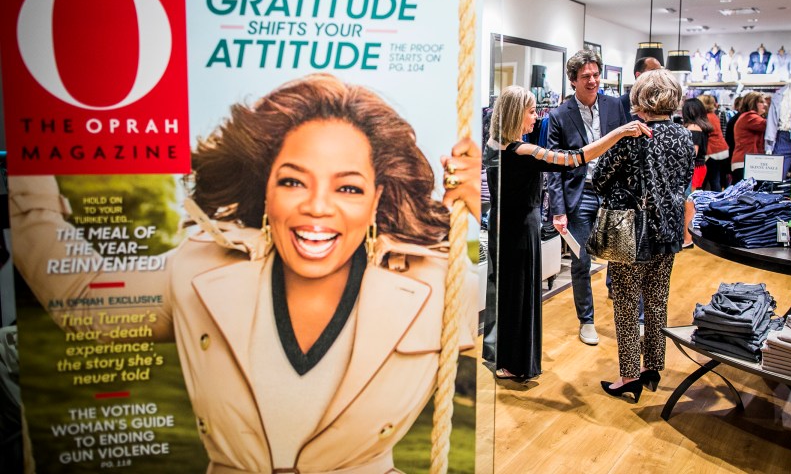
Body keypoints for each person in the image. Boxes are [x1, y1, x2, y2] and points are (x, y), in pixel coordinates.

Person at [9, 73, 480, 474]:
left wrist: (482, 204)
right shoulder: (200, 269)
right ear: (266, 188)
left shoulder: (432, 284)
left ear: (377, 199)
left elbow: (509, 304)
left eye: (348, 188)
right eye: (293, 181)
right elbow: (81, 298)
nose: (317, 207)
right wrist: (30, 183)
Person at [485, 85, 650, 379]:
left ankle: (504, 358)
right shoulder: (523, 151)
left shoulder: (492, 145)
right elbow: (576, 158)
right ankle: (514, 364)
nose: (536, 118)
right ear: (515, 114)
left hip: (502, 228)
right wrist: (619, 133)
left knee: (507, 294)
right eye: (532, 112)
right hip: (522, 232)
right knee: (520, 294)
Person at [592, 69, 694, 402]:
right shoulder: (682, 135)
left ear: (642, 98)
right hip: (668, 228)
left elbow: (600, 178)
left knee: (625, 302)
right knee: (656, 299)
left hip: (630, 229)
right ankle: (653, 366)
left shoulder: (634, 135)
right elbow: (685, 180)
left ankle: (629, 377)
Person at [547, 50, 629, 345]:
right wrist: (558, 209)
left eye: (596, 75)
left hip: (614, 193)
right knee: (581, 260)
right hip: (580, 195)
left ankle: (626, 314)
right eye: (586, 77)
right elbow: (554, 166)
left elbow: (625, 149)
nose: (593, 81)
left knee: (621, 256)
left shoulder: (615, 106)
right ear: (573, 81)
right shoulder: (558, 116)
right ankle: (587, 320)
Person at [681, 97, 713, 248]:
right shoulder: (700, 127)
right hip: (699, 167)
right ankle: (688, 238)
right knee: (691, 203)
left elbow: (692, 154)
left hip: (693, 169)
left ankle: (688, 239)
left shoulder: (693, 128)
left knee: (689, 204)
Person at [731, 91, 768, 182]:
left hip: (746, 162)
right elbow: (768, 125)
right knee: (746, 195)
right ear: (753, 103)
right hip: (745, 163)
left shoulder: (747, 116)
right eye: (761, 102)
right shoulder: (749, 117)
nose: (765, 104)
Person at [697, 94, 729, 192]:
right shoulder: (714, 116)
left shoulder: (705, 118)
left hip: (712, 152)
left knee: (712, 180)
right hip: (721, 150)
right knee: (715, 179)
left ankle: (714, 203)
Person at [621, 56, 662, 121]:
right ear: (638, 75)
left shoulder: (662, 102)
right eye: (654, 71)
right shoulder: (620, 103)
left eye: (660, 72)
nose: (659, 76)